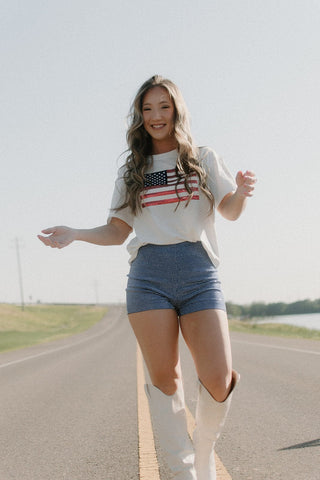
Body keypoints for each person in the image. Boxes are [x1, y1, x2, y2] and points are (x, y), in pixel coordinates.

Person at [38, 75, 256, 480]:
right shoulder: (132, 170)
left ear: (177, 110)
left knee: (219, 378)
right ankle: (185, 469)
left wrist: (241, 192)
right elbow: (118, 231)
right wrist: (76, 234)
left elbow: (229, 211)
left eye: (164, 107)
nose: (156, 116)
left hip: (198, 271)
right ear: (140, 116)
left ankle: (204, 451)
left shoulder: (204, 158)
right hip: (148, 276)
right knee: (165, 378)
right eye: (148, 108)